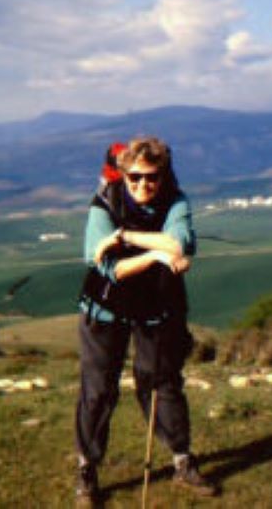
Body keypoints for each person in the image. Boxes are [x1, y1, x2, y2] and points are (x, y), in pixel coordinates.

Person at [74, 136, 217, 505]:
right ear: (122, 174)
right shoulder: (103, 204)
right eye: (134, 177)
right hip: (104, 310)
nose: (142, 185)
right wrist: (156, 255)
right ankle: (87, 470)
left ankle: (182, 461)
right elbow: (109, 267)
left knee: (162, 384)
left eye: (151, 178)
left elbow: (180, 244)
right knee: (98, 390)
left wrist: (124, 237)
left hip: (158, 307)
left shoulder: (176, 200)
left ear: (164, 175)